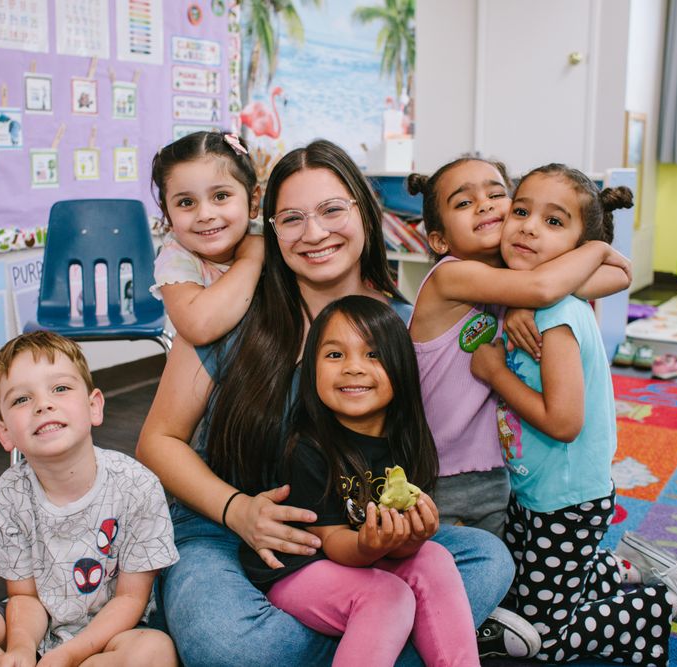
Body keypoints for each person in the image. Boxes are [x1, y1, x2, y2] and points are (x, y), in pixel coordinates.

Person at [136, 139, 516, 666]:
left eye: (332, 210)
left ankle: (367, 636)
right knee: (229, 643)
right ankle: (381, 642)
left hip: (354, 532)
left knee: (488, 560)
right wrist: (238, 509)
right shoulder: (228, 310)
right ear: (269, 230)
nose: (314, 234)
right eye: (291, 219)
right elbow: (158, 440)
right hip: (225, 529)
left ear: (365, 210)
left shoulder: (406, 325)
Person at [470, 164, 677, 666]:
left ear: (579, 249)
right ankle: (629, 569)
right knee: (512, 595)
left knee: (543, 638)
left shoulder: (558, 315)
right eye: (521, 211)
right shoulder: (527, 300)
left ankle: (667, 601)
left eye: (554, 222)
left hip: (568, 501)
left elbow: (564, 422)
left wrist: (495, 373)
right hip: (536, 490)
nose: (529, 226)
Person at [240, 295, 479, 665]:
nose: (353, 368)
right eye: (335, 355)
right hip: (299, 566)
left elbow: (396, 547)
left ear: (400, 367)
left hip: (361, 558)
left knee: (434, 556)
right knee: (389, 597)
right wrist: (371, 547)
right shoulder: (307, 447)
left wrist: (410, 539)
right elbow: (331, 539)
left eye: (373, 354)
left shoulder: (408, 440)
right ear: (312, 370)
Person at [0, 331, 179, 667]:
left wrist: (70, 654)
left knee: (154, 653)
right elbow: (24, 596)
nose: (43, 404)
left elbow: (130, 598)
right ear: (5, 433)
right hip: (36, 621)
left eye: (60, 388)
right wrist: (22, 650)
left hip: (115, 632)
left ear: (93, 407)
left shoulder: (137, 486)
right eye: (21, 400)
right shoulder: (7, 496)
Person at [406, 157, 631, 541]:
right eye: (463, 203)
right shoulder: (449, 275)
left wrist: (525, 299)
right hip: (433, 471)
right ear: (440, 240)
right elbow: (546, 288)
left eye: (497, 194)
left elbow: (622, 273)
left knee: (508, 571)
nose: (485, 204)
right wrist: (593, 249)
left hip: (497, 469)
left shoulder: (518, 276)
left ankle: (599, 572)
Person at [149, 130, 264, 345]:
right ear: (168, 215)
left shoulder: (270, 234)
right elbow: (199, 326)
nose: (205, 215)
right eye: (186, 202)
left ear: (253, 201)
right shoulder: (176, 258)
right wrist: (252, 258)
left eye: (221, 196)